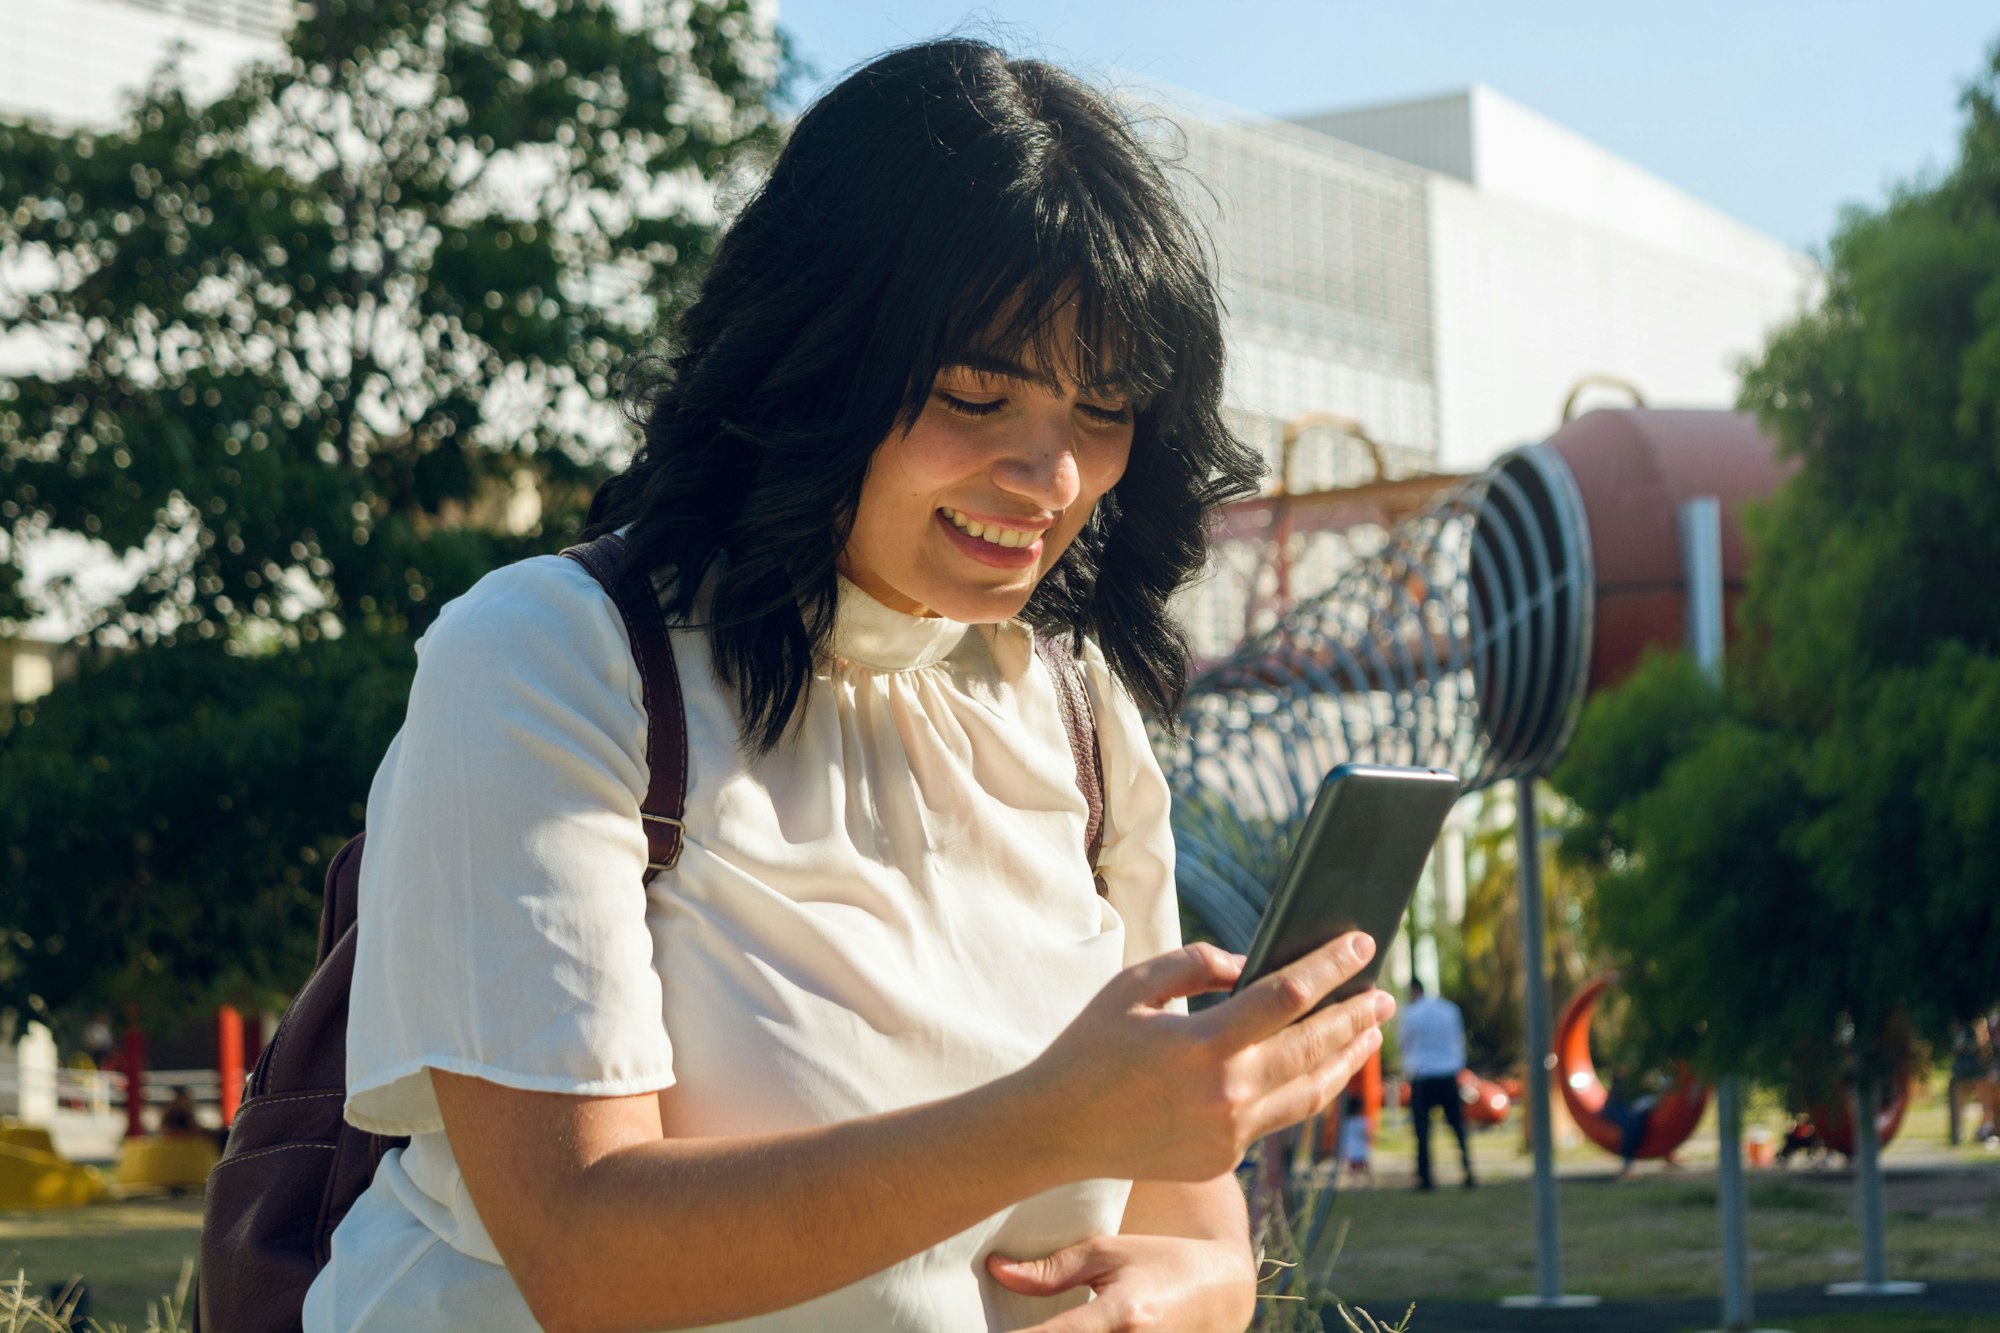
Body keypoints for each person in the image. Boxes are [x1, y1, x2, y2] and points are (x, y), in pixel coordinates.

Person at [304, 40, 1397, 1333]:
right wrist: (1051, 1121)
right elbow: (583, 1251)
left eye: (1102, 411)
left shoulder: (1077, 707)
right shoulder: (552, 659)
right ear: (814, 357)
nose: (1047, 479)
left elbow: (1190, 1229)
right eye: (976, 395)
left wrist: (1185, 1290)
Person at [1400, 977, 1475, 1190]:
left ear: (1414, 991)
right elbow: (1457, 1038)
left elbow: (1405, 1043)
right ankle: (1468, 1170)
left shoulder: (1411, 1014)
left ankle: (1425, 1178)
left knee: (1422, 1131)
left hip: (1423, 1076)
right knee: (1458, 1127)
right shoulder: (1449, 1010)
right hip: (1448, 1074)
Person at [1338, 1090, 1373, 1188]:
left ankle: (1354, 1184)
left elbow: (1343, 1137)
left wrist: (1343, 1148)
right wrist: (1370, 1142)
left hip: (1351, 1150)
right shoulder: (1363, 1121)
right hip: (1361, 1149)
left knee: (1353, 1169)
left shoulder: (1346, 1123)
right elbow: (1367, 1135)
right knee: (1364, 1167)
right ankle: (1368, 1182)